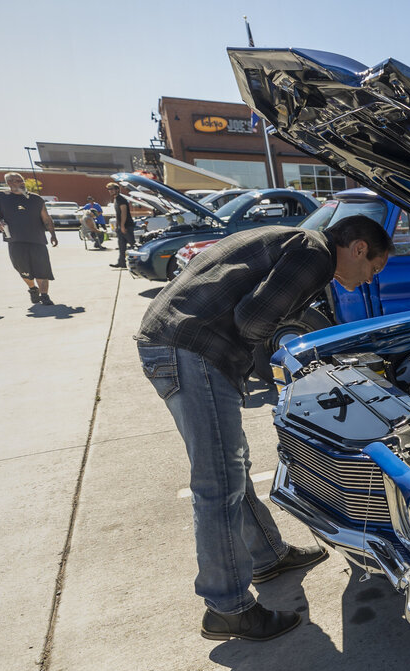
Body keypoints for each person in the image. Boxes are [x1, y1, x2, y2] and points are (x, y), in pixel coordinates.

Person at [136, 217, 393, 642]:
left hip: (179, 342)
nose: (369, 280)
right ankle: (227, 609)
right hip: (191, 348)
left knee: (232, 464)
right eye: (374, 269)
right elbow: (253, 322)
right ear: (359, 248)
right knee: (217, 482)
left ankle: (268, 556)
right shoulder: (315, 254)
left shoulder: (300, 241)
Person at [0, 172, 58, 305]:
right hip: (15, 240)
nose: (20, 183)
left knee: (42, 269)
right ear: (9, 183)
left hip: (37, 239)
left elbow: (46, 218)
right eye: (16, 181)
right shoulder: (0, 197)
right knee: (22, 269)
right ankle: (33, 289)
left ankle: (44, 296)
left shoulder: (35, 199)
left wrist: (53, 234)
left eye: (21, 180)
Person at [108, 182, 135, 268]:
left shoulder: (121, 199)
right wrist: (117, 225)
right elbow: (117, 213)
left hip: (127, 226)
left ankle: (139, 262)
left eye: (112, 189)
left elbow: (124, 212)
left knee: (132, 244)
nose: (110, 191)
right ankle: (121, 263)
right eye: (109, 189)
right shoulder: (115, 199)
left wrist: (122, 226)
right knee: (121, 246)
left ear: (117, 189)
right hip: (121, 226)